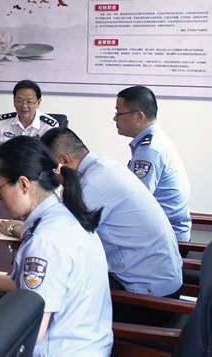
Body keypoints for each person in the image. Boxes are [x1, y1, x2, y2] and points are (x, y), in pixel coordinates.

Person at [0, 136, 112, 357]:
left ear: (24, 184)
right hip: (90, 346)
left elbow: (31, 331)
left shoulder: (44, 243)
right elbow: (33, 293)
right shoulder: (65, 214)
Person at [38, 127, 183, 325]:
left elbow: (59, 238)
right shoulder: (106, 166)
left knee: (57, 299)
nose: (52, 175)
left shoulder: (92, 185)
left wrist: (16, 228)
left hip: (148, 302)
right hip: (164, 284)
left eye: (51, 168)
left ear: (64, 161)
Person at [115, 86, 191, 241]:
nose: (114, 118)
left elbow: (134, 202)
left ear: (139, 117)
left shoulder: (150, 150)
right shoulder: (154, 141)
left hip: (166, 239)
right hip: (162, 231)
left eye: (119, 113)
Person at [0, 80, 58, 165]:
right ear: (14, 101)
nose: (24, 106)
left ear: (38, 103)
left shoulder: (49, 126)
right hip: (7, 169)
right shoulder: (3, 123)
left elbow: (52, 159)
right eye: (20, 101)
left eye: (29, 102)